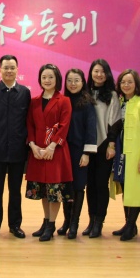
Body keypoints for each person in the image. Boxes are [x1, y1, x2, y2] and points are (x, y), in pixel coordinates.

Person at [0, 55, 31, 240]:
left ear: (17, 70)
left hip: (18, 149)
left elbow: (28, 122)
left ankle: (15, 225)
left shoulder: (24, 92)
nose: (9, 71)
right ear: (0, 70)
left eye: (12, 67)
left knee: (15, 190)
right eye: (6, 68)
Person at [26, 64, 72, 242]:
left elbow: (64, 125)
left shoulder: (64, 100)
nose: (47, 80)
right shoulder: (34, 101)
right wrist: (32, 146)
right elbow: (30, 125)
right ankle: (45, 222)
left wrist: (52, 146)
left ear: (57, 79)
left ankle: (52, 225)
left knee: (54, 191)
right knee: (43, 190)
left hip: (56, 152)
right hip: (38, 152)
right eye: (44, 77)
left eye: (51, 77)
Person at [113, 69, 140, 241]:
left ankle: (131, 225)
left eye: (129, 82)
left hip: (135, 153)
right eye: (123, 82)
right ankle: (128, 224)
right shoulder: (120, 102)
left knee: (134, 190)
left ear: (136, 84)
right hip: (121, 152)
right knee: (125, 187)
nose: (126, 85)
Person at [84, 59, 121, 238]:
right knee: (90, 185)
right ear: (91, 72)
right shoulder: (85, 93)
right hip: (87, 145)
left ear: (107, 75)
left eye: (102, 72)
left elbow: (115, 121)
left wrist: (111, 145)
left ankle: (99, 222)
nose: (99, 75)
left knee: (101, 184)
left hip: (104, 145)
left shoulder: (112, 95)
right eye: (96, 71)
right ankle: (91, 220)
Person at [60, 68, 97, 239]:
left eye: (76, 80)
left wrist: (86, 153)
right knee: (65, 186)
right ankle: (66, 221)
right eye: (69, 80)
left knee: (78, 187)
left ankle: (74, 223)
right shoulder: (63, 101)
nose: (72, 84)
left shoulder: (87, 103)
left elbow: (91, 129)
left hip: (79, 152)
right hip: (63, 151)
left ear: (83, 82)